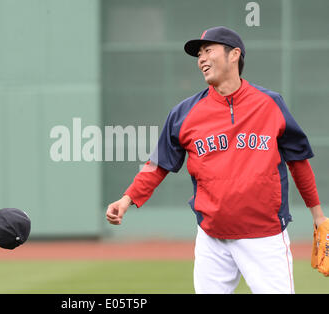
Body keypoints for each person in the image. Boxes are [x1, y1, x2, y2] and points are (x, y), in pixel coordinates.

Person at [106, 26, 327, 294]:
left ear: (234, 55)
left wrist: (318, 216)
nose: (201, 59)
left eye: (208, 50)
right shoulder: (184, 113)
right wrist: (127, 199)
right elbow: (158, 164)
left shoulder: (270, 104)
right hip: (212, 238)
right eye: (199, 54)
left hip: (265, 236)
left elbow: (298, 161)